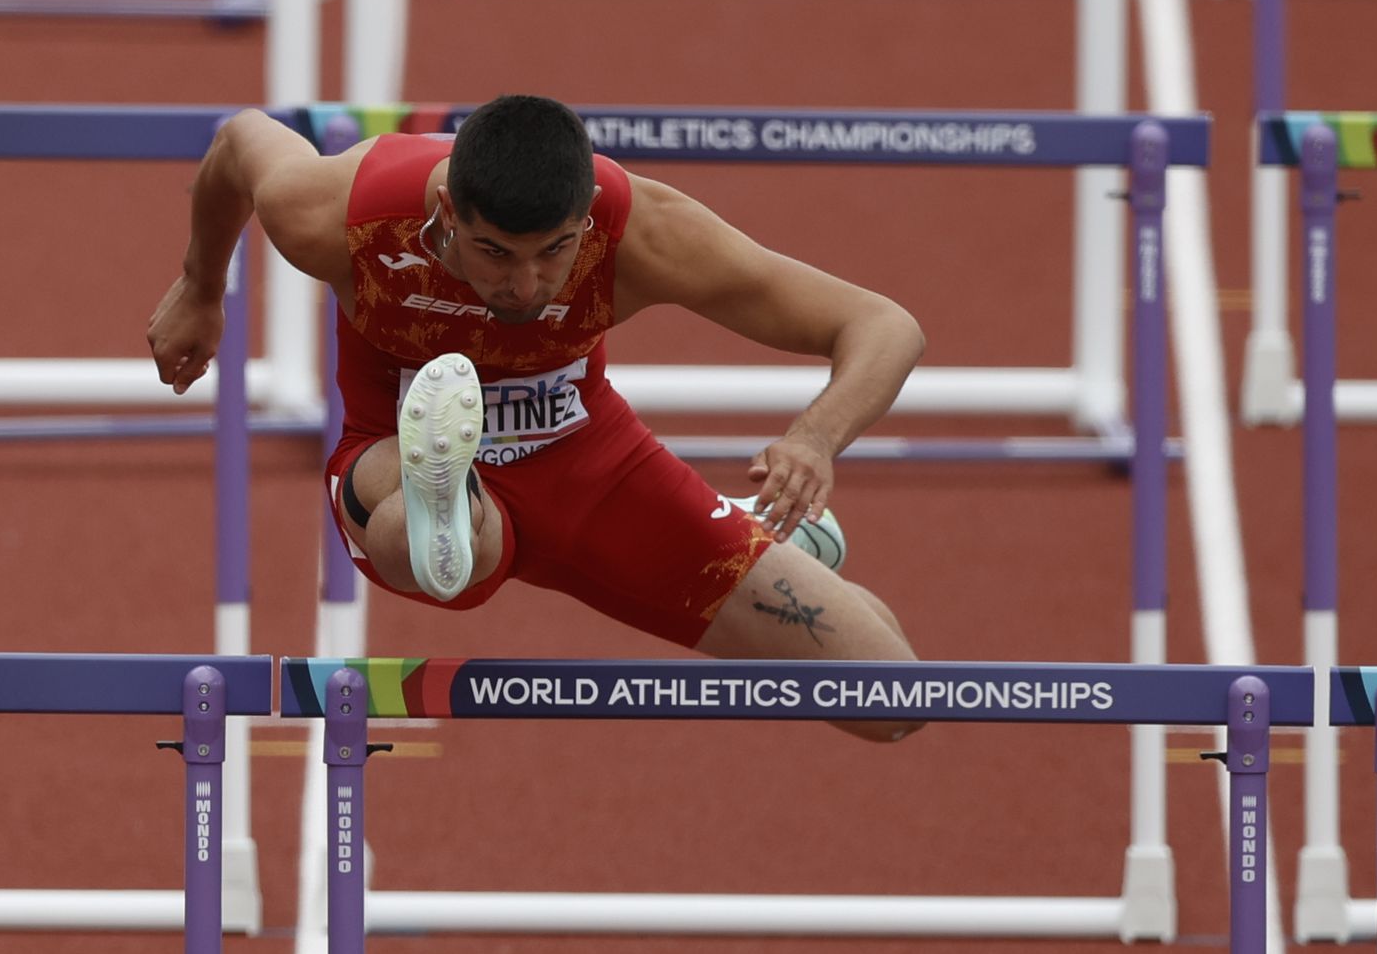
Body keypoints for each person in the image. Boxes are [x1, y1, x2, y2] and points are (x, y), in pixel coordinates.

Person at [147, 94, 925, 742]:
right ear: (448, 212)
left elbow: (883, 324)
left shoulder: (641, 232)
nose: (525, 285)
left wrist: (815, 436)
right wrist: (200, 285)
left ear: (584, 218)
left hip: (594, 471)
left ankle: (761, 537)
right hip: (393, 458)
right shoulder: (343, 217)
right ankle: (446, 490)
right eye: (494, 252)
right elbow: (240, 141)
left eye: (554, 252)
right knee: (428, 545)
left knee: (892, 700)